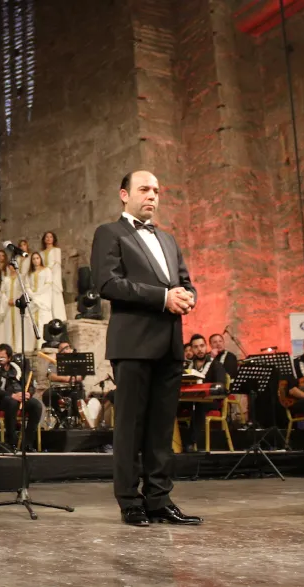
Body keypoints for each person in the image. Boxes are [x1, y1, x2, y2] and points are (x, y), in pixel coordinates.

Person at [91, 170, 200, 526]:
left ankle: (159, 499)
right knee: (131, 427)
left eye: (156, 190)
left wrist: (188, 297)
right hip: (134, 342)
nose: (152, 195)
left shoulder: (168, 239)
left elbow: (184, 282)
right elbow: (108, 283)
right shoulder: (110, 233)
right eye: (144, 189)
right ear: (125, 194)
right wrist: (163, 298)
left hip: (169, 342)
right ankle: (129, 501)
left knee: (161, 429)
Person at [179, 334, 228, 452]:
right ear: (192, 349)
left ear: (206, 346)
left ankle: (190, 443)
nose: (199, 349)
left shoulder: (216, 365)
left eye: (202, 346)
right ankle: (172, 441)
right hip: (190, 400)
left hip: (211, 401)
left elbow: (221, 386)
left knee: (199, 407)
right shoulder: (188, 366)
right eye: (195, 347)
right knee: (171, 405)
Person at [0, 344, 41, 451]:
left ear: (9, 358)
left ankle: (27, 443)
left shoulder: (16, 368)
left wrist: (28, 393)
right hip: (3, 399)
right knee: (12, 402)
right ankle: (11, 441)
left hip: (20, 397)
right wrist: (12, 395)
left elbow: (29, 384)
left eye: (2, 357)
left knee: (36, 405)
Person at [24, 252, 54, 353]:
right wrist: (32, 295)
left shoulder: (46, 270)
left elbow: (48, 284)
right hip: (33, 300)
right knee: (32, 323)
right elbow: (27, 286)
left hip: (43, 299)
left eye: (37, 258)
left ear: (40, 259)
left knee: (43, 321)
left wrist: (38, 294)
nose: (36, 260)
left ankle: (42, 345)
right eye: (33, 259)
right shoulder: (29, 273)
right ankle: (32, 346)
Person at [40, 231, 66, 320]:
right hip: (44, 278)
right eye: (47, 237)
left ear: (53, 239)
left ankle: (60, 319)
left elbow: (57, 264)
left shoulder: (56, 250)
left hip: (53, 277)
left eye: (50, 237)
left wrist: (49, 273)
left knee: (56, 299)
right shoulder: (41, 253)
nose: (48, 239)